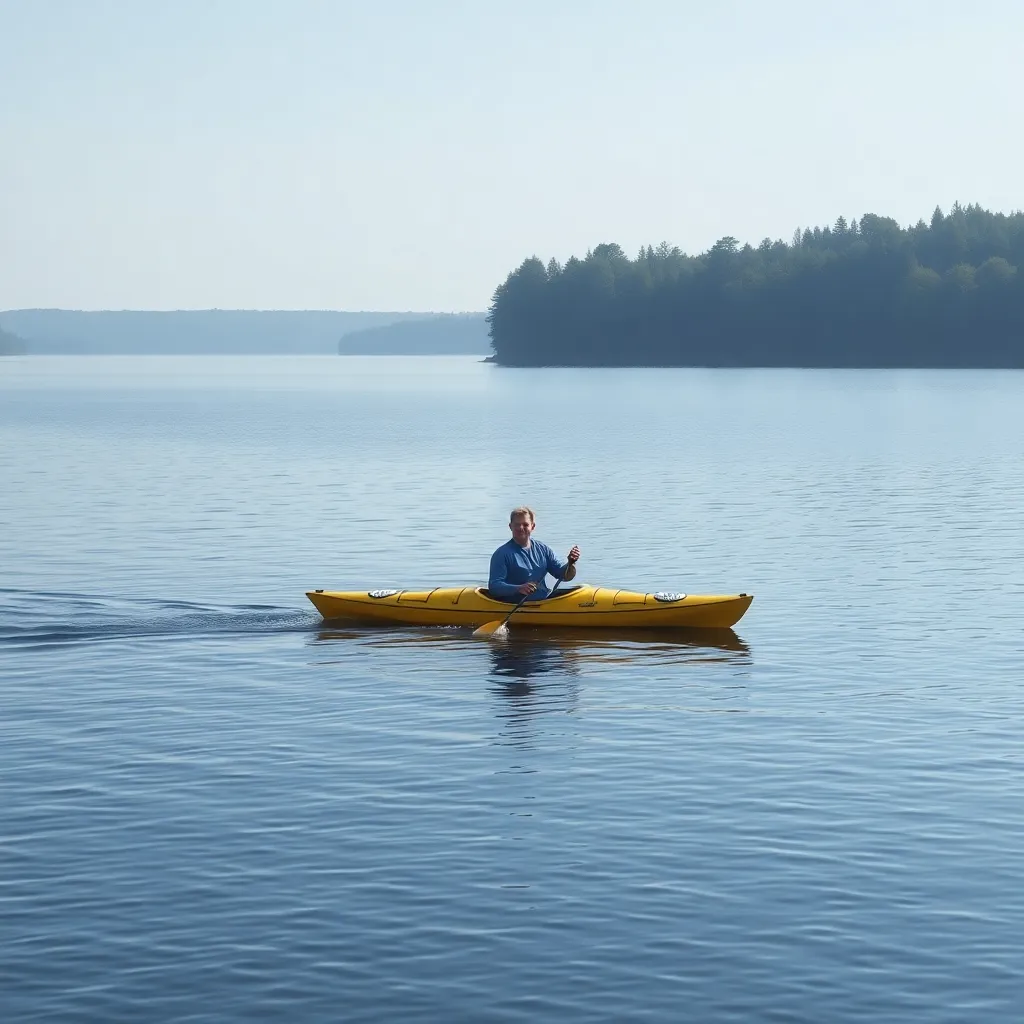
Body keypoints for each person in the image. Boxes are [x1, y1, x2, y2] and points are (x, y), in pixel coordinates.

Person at [488, 506, 580, 602]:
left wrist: (571, 563)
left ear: (532, 526)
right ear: (510, 527)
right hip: (516, 605)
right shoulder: (501, 554)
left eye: (525, 524)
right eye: (517, 525)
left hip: (544, 603)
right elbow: (494, 587)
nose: (521, 528)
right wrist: (519, 588)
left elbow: (564, 576)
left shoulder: (543, 549)